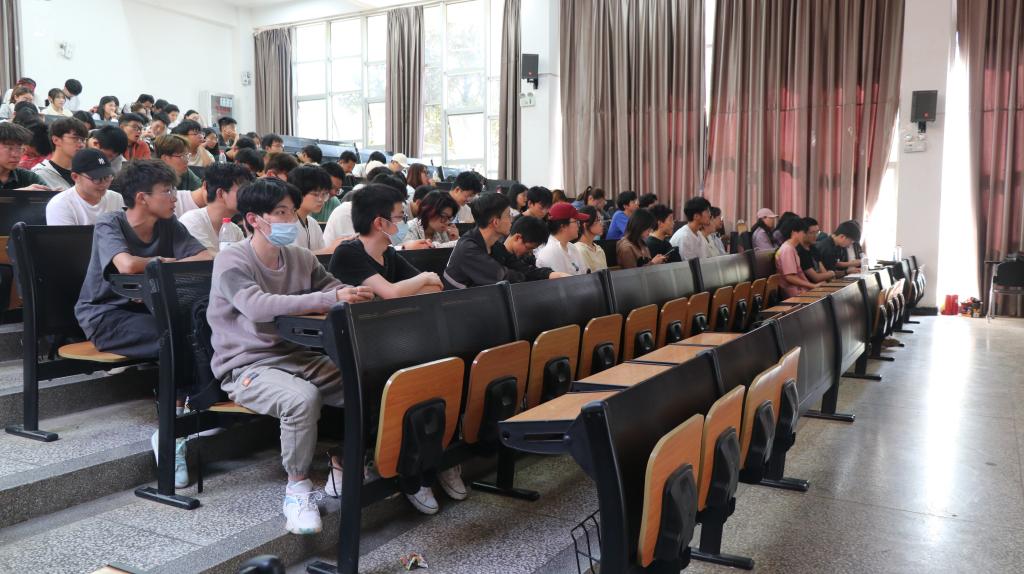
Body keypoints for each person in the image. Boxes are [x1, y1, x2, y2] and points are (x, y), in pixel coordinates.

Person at [207, 177, 374, 534]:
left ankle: (343, 460)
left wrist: (354, 292)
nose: (289, 221)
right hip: (246, 365)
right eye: (280, 213)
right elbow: (256, 306)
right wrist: (330, 299)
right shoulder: (231, 259)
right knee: (302, 399)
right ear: (254, 219)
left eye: (292, 212)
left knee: (362, 381)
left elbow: (333, 288)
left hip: (296, 355)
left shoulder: (300, 257)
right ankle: (297, 489)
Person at [75, 160, 212, 487]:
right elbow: (125, 265)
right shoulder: (110, 223)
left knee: (196, 329)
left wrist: (159, 264)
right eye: (167, 191)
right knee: (177, 338)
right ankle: (170, 434)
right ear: (141, 197)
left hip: (151, 311)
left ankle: (183, 419)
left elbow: (206, 257)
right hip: (105, 315)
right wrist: (167, 262)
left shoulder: (169, 224)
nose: (174, 197)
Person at [329, 184, 444, 301]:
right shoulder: (347, 253)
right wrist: (424, 278)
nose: (405, 223)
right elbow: (391, 293)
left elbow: (434, 288)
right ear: (379, 223)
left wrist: (394, 292)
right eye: (400, 217)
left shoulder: (388, 253)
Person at [443, 193, 566, 289]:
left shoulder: (495, 246)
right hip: (456, 307)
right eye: (508, 215)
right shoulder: (468, 248)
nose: (511, 220)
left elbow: (522, 268)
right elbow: (504, 276)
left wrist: (550, 274)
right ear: (496, 222)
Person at [179, 163, 252, 254]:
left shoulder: (235, 231)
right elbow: (208, 260)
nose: (247, 196)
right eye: (242, 191)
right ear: (220, 193)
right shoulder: (192, 221)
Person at [45, 149, 124, 225]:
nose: (104, 183)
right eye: (96, 179)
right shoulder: (61, 205)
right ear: (75, 177)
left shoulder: (116, 199)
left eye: (107, 177)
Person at [288, 164, 337, 254]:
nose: (321, 199)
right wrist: (328, 250)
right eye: (315, 194)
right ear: (298, 192)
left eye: (324, 194)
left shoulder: (313, 223)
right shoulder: (286, 224)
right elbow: (292, 258)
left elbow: (322, 258)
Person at [33, 117, 88, 190]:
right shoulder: (39, 174)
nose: (81, 144)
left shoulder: (87, 172)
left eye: (83, 140)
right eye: (75, 138)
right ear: (56, 140)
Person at [535, 202, 589, 276]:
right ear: (563, 226)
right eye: (576, 222)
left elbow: (584, 275)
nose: (578, 226)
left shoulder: (572, 247)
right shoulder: (550, 252)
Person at [775, 217, 820, 296]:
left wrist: (813, 286)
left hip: (801, 290)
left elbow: (799, 274)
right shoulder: (787, 249)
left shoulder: (792, 248)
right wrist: (813, 286)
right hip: (794, 293)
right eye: (803, 232)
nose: (805, 235)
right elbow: (790, 277)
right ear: (794, 232)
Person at [0, 123, 48, 190]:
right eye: (9, 148)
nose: (16, 155)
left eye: (19, 148)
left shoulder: (29, 178)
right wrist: (21, 193)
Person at [797, 217, 836, 283]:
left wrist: (829, 279)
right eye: (812, 233)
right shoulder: (800, 251)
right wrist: (832, 273)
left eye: (817, 232)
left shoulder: (813, 248)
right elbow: (815, 278)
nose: (815, 236)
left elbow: (822, 270)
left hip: (820, 285)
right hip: (809, 287)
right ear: (803, 233)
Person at [573, 205, 607, 272]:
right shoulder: (579, 250)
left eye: (601, 220)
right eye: (598, 220)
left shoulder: (598, 249)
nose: (601, 224)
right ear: (585, 225)